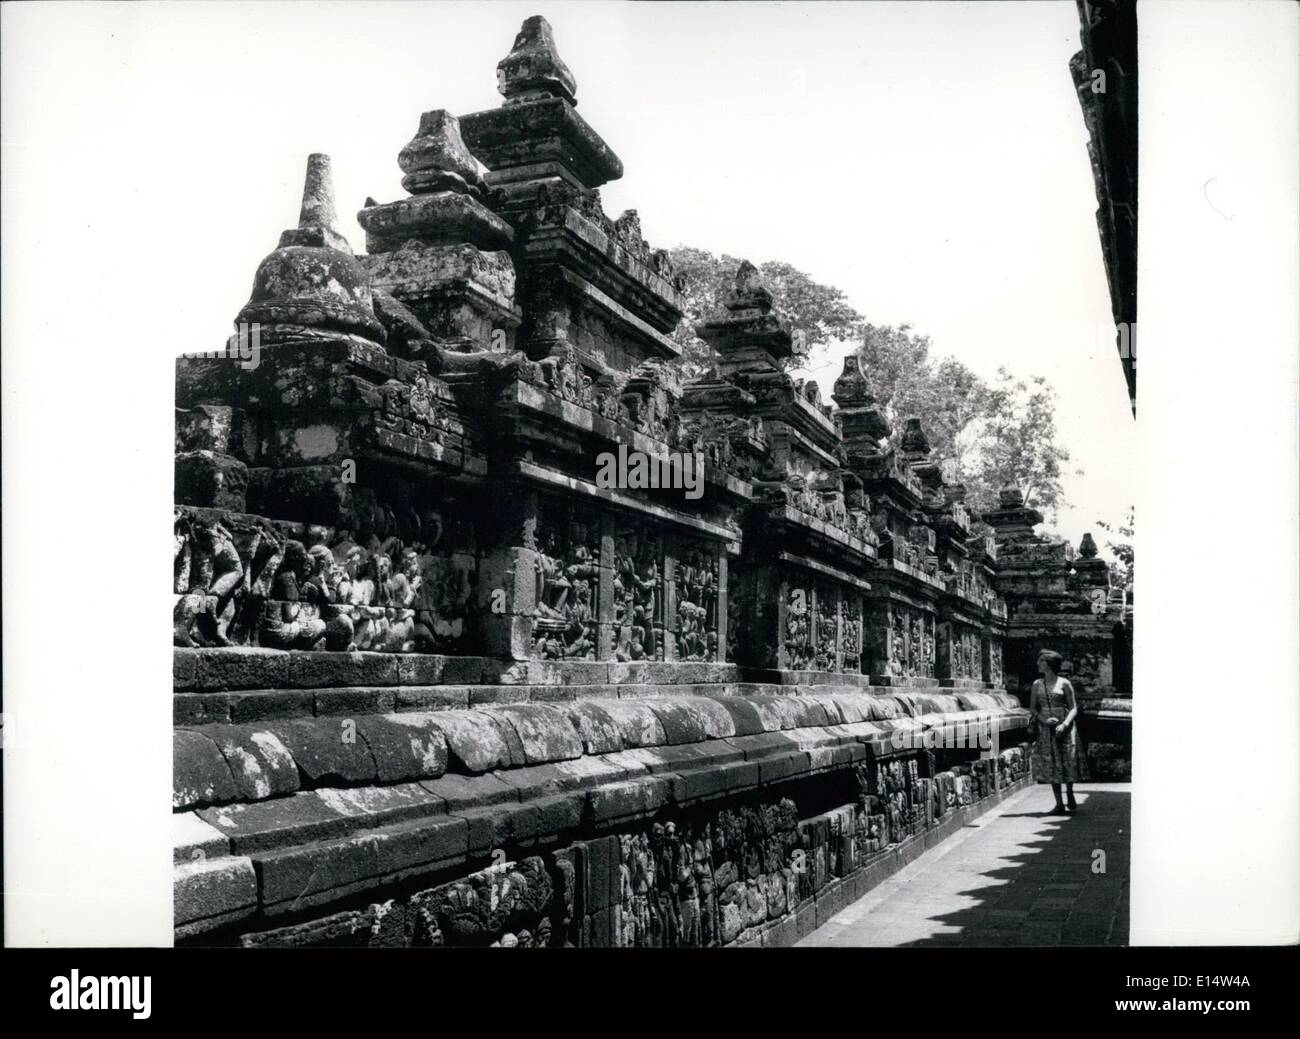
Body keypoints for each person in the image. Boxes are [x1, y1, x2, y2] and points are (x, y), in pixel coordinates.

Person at [1030, 649, 1080, 814]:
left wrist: (1065, 724)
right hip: (1046, 727)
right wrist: (1044, 720)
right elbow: (1033, 708)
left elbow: (1073, 708)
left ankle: (1070, 792)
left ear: (1050, 664)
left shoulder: (1064, 683)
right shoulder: (1037, 684)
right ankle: (1059, 803)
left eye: (1041, 661)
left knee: (1067, 759)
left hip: (1065, 726)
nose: (1038, 664)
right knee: (1052, 762)